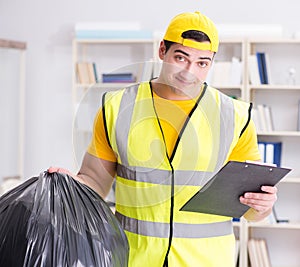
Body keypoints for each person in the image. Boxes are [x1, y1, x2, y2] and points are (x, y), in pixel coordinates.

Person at [50, 11, 278, 267]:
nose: (189, 72)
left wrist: (263, 206)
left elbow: (254, 209)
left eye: (202, 63)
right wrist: (68, 185)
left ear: (212, 63)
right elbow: (94, 181)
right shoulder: (117, 108)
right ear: (162, 51)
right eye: (181, 58)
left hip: (207, 261)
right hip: (133, 258)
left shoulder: (235, 117)